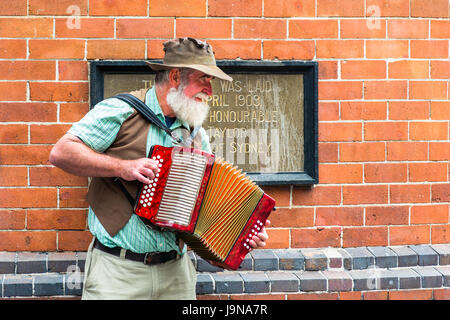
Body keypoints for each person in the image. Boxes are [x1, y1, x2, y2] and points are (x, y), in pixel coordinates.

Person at [49, 37, 270, 300]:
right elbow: (61, 152)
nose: (210, 90)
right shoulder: (121, 111)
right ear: (176, 76)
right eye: (203, 79)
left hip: (176, 274)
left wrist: (245, 232)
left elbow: (208, 202)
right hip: (118, 273)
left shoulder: (197, 135)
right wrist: (122, 167)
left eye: (211, 81)